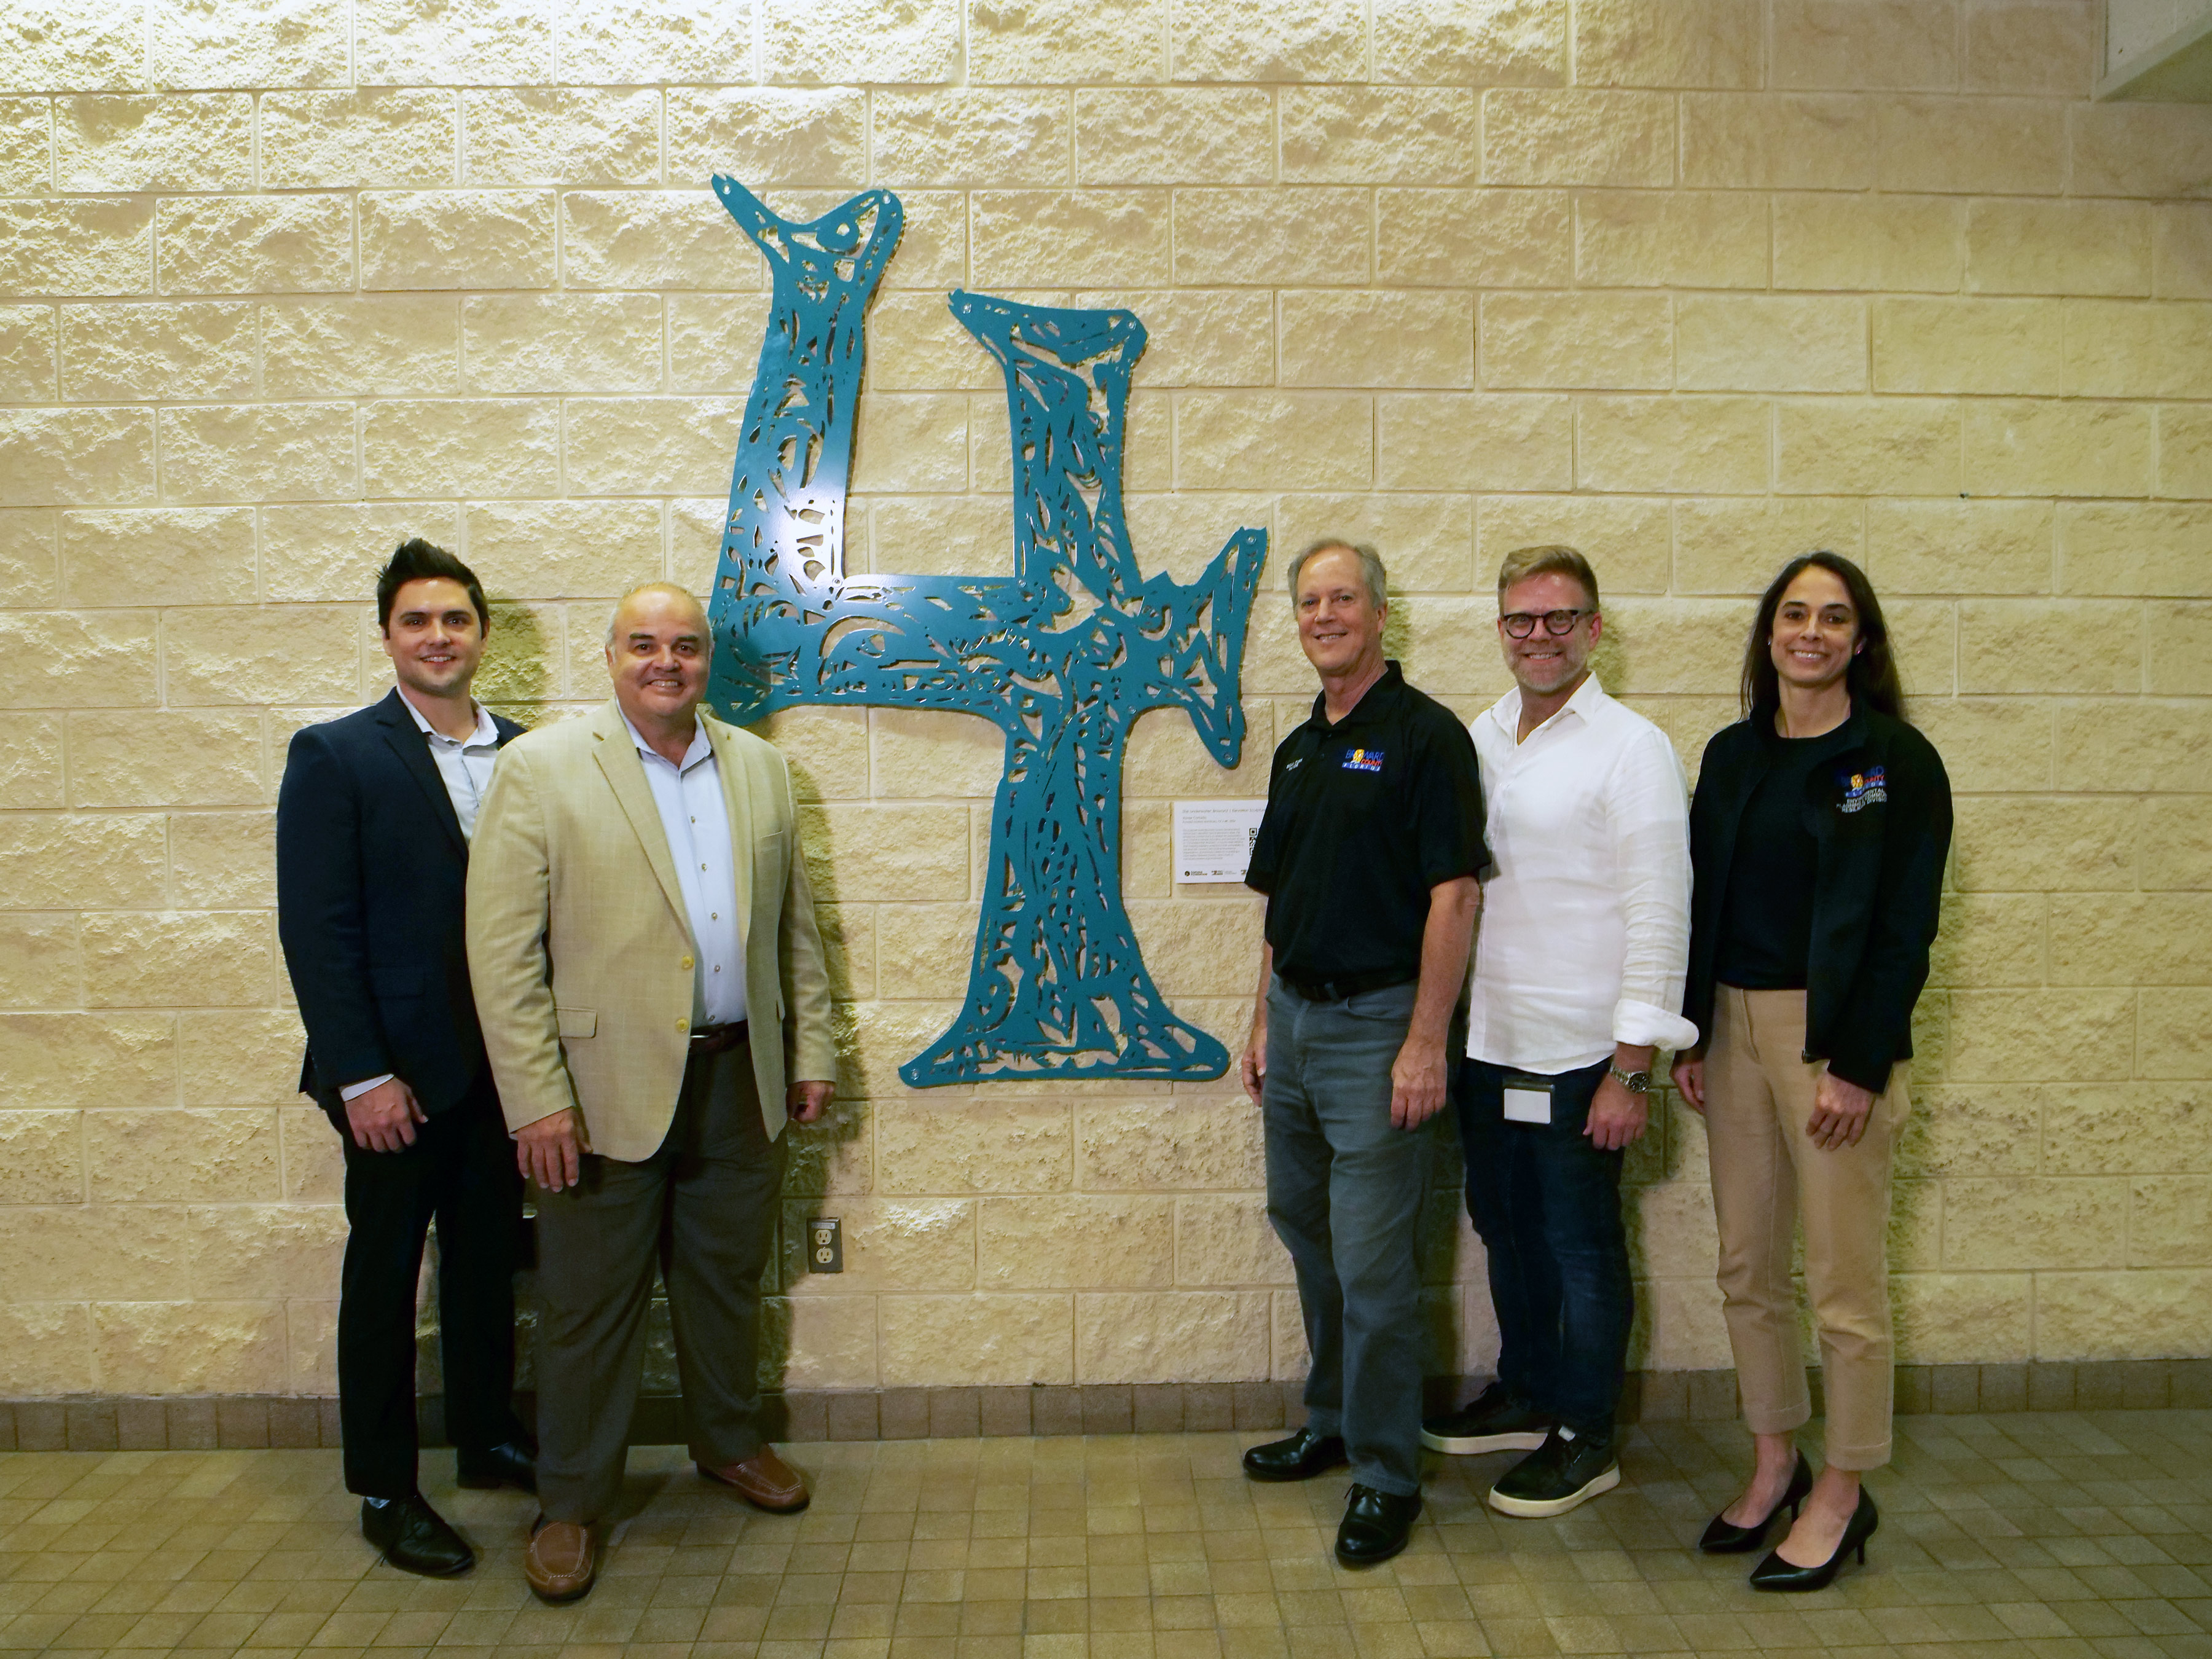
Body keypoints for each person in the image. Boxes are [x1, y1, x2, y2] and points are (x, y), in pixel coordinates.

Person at [467, 582, 837, 1605]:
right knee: (589, 1306)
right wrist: (537, 1100)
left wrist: (811, 1056)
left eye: (685, 645)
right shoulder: (541, 767)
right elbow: (501, 955)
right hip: (597, 1095)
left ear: (707, 658)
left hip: (738, 1078)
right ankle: (572, 1503)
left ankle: (727, 1444)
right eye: (644, 643)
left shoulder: (761, 769)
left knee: (725, 1285)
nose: (665, 661)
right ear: (611, 656)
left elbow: (792, 930)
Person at [1671, 551, 1951, 1592]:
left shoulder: (1896, 762)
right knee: (1748, 1267)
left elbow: (1903, 929)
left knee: (1842, 1282)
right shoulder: (1734, 756)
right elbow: (1702, 903)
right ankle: (1774, 1458)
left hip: (1832, 1045)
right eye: (1796, 613)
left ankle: (1844, 1487)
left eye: (1836, 618)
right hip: (1732, 1032)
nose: (1813, 632)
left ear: (1861, 641)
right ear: (1771, 633)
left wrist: (1860, 1064)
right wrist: (1694, 1033)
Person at [275, 539, 536, 1577]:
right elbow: (317, 930)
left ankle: (485, 1438)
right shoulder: (336, 755)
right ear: (388, 636)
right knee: (385, 1282)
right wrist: (361, 1076)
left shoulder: (529, 752)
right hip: (390, 1079)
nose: (439, 636)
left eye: (457, 620)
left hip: (497, 1072)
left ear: (482, 635)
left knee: (484, 1269)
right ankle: (386, 1487)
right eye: (417, 621)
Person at [1421, 546, 1699, 1518]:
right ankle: (1529, 1389)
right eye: (1521, 621)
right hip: (1492, 1044)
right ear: (1500, 629)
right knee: (1505, 1229)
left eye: (1560, 618)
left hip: (1588, 1056)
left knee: (1582, 1246)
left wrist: (1636, 1068)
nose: (1540, 636)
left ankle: (1587, 1435)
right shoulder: (1482, 735)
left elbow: (1661, 912)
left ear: (1595, 627)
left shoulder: (1633, 748)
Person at [1236, 539, 1487, 1567]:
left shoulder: (1427, 739)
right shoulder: (1298, 745)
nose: (1325, 614)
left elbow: (1455, 894)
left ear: (1382, 615)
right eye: (1309, 601)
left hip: (1380, 1029)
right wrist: (1258, 1019)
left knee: (1377, 1266)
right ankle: (1333, 1418)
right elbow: (1278, 901)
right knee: (1306, 1228)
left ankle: (1386, 1473)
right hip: (1294, 1022)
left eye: (1343, 598)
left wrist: (1427, 1040)